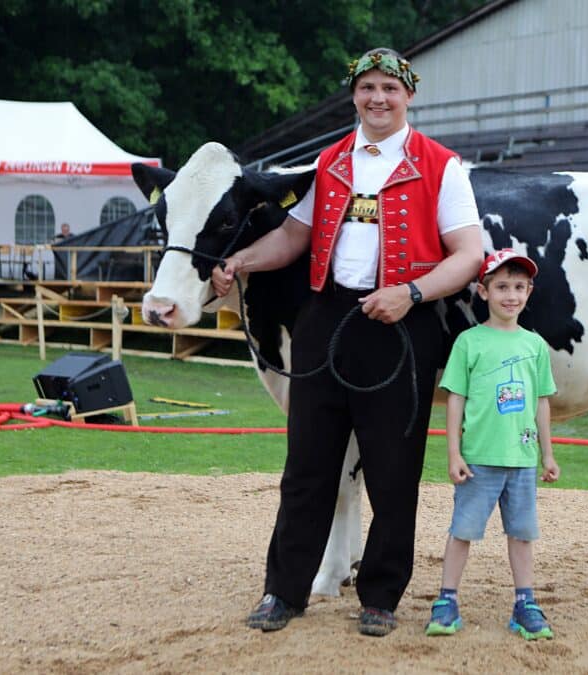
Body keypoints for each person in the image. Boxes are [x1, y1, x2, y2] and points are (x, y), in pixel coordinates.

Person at [211, 47, 483, 636]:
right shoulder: (330, 160)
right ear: (354, 95)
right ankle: (284, 591)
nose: (377, 98)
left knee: (393, 471)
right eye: (367, 88)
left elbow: (469, 254)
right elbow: (294, 236)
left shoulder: (442, 166)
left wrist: (410, 293)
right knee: (306, 466)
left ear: (408, 95)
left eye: (389, 88)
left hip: (402, 325)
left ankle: (380, 597)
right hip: (327, 320)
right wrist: (240, 261)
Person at [425, 249, 560, 641]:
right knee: (463, 531)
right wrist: (454, 453)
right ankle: (447, 600)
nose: (510, 295)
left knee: (522, 533)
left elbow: (541, 401)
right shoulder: (469, 342)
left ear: (529, 292)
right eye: (501, 287)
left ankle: (525, 603)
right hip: (478, 459)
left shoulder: (535, 345)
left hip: (522, 459)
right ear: (483, 292)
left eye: (519, 287)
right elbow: (456, 398)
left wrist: (547, 454)